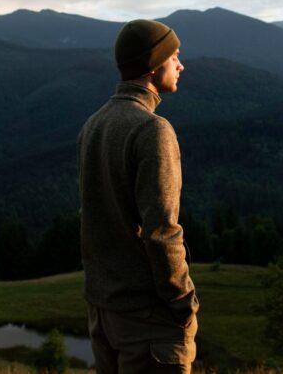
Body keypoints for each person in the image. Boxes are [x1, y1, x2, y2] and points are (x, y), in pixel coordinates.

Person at [77, 19, 198, 373]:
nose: (180, 65)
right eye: (174, 56)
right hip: (147, 322)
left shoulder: (93, 125)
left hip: (104, 315)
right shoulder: (152, 130)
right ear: (152, 64)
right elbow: (161, 230)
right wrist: (183, 302)